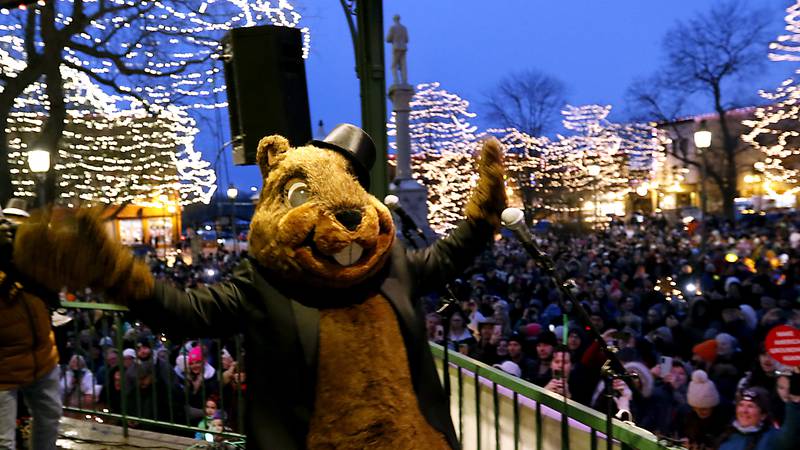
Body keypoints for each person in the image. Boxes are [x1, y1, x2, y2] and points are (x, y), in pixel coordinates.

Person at [0, 200, 62, 450]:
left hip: (41, 355)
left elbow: (53, 285)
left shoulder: (21, 247)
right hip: (4, 365)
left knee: (49, 418)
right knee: (4, 441)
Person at [716, 378, 800, 450]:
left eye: (750, 406)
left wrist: (793, 403)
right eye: (741, 405)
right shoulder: (727, 437)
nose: (744, 411)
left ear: (763, 415)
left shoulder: (772, 439)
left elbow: (789, 433)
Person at [385, 14, 408, 84]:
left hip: (396, 48)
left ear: (394, 19)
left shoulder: (393, 28)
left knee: (394, 66)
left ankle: (396, 81)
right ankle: (404, 81)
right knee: (403, 65)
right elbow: (407, 39)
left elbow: (388, 39)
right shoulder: (404, 28)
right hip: (403, 48)